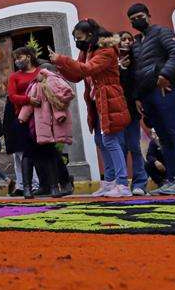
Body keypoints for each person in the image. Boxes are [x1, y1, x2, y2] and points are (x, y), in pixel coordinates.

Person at [50, 20, 132, 197]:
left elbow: (87, 69)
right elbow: (77, 75)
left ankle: (123, 184)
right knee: (101, 142)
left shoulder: (106, 50)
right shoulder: (86, 50)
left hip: (109, 98)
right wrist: (60, 66)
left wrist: (62, 59)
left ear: (89, 35)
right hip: (96, 101)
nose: (77, 41)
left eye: (78, 37)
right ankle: (109, 183)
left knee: (111, 141)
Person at [126, 3, 175, 195]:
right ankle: (171, 180)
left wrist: (164, 75)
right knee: (163, 138)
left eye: (139, 16)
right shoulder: (136, 43)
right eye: (132, 19)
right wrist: (137, 96)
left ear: (148, 15)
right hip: (146, 95)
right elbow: (135, 71)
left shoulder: (162, 32)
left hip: (164, 90)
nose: (137, 21)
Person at [19, 68, 76, 198]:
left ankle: (34, 188)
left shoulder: (39, 86)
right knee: (47, 154)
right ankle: (53, 187)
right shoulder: (56, 84)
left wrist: (22, 117)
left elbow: (28, 106)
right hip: (48, 125)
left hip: (39, 125)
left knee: (39, 154)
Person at [6, 47, 47, 199]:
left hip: (42, 116)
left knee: (45, 150)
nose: (17, 61)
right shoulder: (14, 77)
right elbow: (12, 96)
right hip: (23, 118)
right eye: (15, 59)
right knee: (26, 152)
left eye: (19, 57)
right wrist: (28, 100)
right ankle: (29, 185)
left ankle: (46, 184)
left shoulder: (41, 72)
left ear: (29, 57)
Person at [117, 30, 149, 196]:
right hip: (117, 109)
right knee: (119, 148)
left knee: (135, 147)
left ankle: (140, 183)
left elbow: (138, 83)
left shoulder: (137, 60)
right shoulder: (113, 60)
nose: (127, 42)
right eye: (124, 39)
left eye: (130, 39)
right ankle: (121, 183)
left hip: (131, 108)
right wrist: (120, 67)